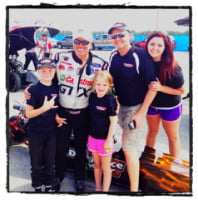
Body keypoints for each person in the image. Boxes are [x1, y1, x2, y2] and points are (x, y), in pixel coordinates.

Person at [53, 29, 109, 192]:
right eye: (77, 41)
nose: (80, 45)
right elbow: (50, 81)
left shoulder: (101, 63)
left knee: (81, 147)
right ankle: (58, 176)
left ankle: (79, 178)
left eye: (85, 42)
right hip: (62, 111)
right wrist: (32, 89)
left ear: (91, 44)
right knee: (61, 146)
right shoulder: (60, 57)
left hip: (84, 113)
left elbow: (106, 88)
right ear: (72, 42)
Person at [108, 22, 157, 192]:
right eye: (114, 36)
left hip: (136, 108)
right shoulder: (113, 56)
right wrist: (115, 104)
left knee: (129, 149)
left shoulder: (140, 56)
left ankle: (134, 190)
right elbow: (112, 83)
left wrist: (141, 113)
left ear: (129, 35)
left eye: (121, 34)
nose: (118, 39)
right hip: (120, 107)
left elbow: (153, 87)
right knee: (125, 144)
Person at [144, 31, 185, 158]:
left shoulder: (172, 67)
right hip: (152, 105)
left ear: (165, 48)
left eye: (159, 45)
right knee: (152, 132)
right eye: (152, 44)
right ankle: (147, 159)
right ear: (147, 45)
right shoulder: (144, 59)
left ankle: (174, 166)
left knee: (172, 137)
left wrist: (161, 88)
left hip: (170, 106)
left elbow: (181, 91)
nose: (155, 48)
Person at [25, 58, 58, 192]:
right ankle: (37, 187)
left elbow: (56, 107)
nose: (47, 73)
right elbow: (28, 113)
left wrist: (57, 117)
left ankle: (49, 186)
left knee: (50, 162)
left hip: (51, 132)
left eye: (50, 70)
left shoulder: (57, 88)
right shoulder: (34, 89)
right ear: (39, 71)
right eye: (43, 71)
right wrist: (44, 108)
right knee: (36, 163)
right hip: (35, 132)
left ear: (54, 71)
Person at [87, 70, 117, 192]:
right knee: (97, 166)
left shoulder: (110, 100)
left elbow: (113, 121)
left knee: (106, 168)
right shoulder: (92, 97)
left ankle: (105, 192)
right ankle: (98, 188)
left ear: (109, 86)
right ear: (94, 84)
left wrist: (109, 140)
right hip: (92, 138)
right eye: (98, 84)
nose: (101, 87)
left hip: (105, 140)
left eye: (104, 85)